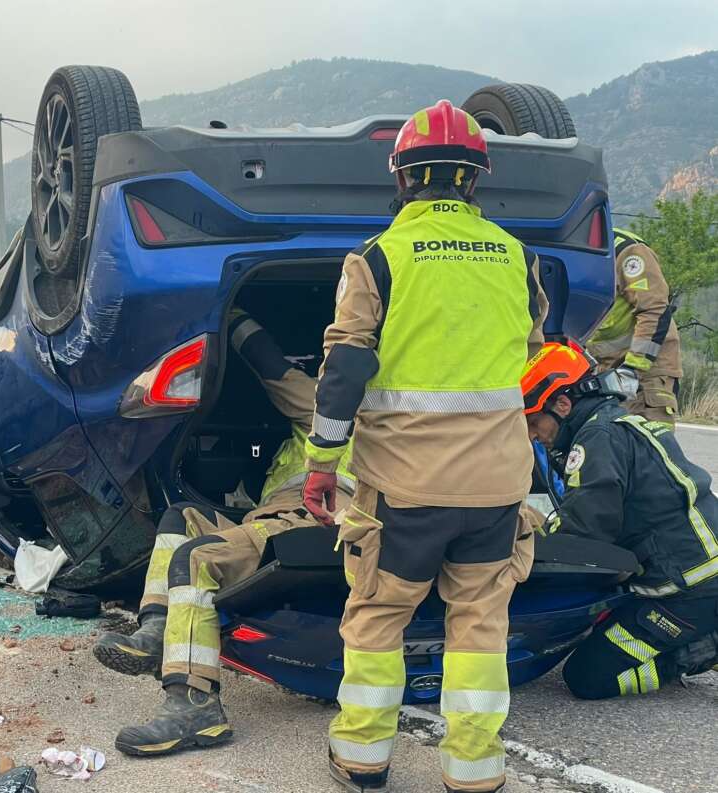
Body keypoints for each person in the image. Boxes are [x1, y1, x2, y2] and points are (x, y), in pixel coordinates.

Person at [302, 100, 547, 793]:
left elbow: (346, 367)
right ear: (474, 180)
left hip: (405, 489)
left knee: (379, 615)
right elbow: (529, 347)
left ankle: (362, 757)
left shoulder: (378, 258)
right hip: (496, 487)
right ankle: (474, 769)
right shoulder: (517, 257)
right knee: (480, 626)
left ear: (403, 177)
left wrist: (321, 464)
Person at [94, 309, 355, 756]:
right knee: (181, 518)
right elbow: (277, 372)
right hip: (274, 521)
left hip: (313, 524)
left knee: (195, 560)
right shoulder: (314, 416)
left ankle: (195, 704)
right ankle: (157, 630)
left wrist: (228, 315)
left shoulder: (351, 417)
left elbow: (271, 364)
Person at [521, 342, 718, 699]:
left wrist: (527, 544)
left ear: (562, 404)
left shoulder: (598, 438)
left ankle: (699, 650)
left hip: (690, 591)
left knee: (588, 677)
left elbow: (583, 530)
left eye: (535, 422)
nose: (534, 434)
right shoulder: (614, 424)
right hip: (686, 577)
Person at [586, 228, 681, 424]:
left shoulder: (625, 250)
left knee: (647, 437)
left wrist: (632, 369)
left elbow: (655, 310)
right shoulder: (570, 253)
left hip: (647, 369)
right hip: (603, 370)